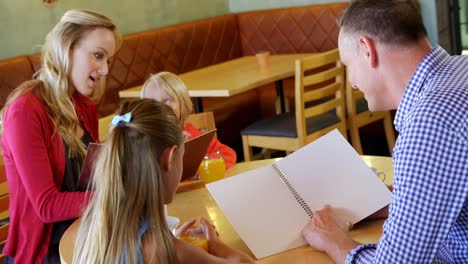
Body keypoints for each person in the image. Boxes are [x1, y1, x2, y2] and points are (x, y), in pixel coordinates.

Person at [301, 0, 468, 263]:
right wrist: (389, 200)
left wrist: (333, 240)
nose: (353, 83)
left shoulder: (430, 123)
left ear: (367, 50)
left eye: (348, 66)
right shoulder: (460, 69)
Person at [0, 9, 121, 263]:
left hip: (86, 237)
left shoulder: (83, 106)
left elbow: (89, 180)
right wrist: (114, 196)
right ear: (66, 47)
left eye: (108, 60)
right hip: (45, 253)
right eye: (98, 56)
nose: (105, 70)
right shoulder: (24, 111)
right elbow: (47, 205)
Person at [73, 98, 253, 263]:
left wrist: (170, 237)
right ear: (170, 157)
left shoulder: (92, 227)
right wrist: (215, 245)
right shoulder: (171, 253)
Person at [140, 71, 237, 169]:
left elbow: (227, 154)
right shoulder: (142, 140)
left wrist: (202, 167)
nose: (160, 107)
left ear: (182, 104)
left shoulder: (191, 135)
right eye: (152, 103)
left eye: (167, 100)